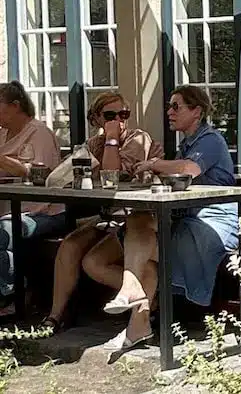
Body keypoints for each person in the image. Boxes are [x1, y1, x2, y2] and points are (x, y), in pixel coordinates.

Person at [82, 85, 238, 351]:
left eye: (176, 107)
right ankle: (137, 318)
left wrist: (152, 164)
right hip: (185, 218)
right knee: (138, 224)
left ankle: (137, 315)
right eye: (169, 106)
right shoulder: (187, 143)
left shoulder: (210, 139)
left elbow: (190, 169)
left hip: (211, 224)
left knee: (144, 244)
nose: (169, 112)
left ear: (196, 111)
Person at [41, 91, 164, 332]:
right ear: (97, 118)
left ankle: (149, 300)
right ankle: (55, 316)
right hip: (107, 216)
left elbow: (112, 176)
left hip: (135, 219)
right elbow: (55, 180)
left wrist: (111, 140)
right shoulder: (92, 144)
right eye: (110, 115)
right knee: (70, 244)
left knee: (92, 262)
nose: (118, 120)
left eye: (123, 114)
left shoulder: (138, 139)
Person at [0, 80, 64, 312]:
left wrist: (6, 162)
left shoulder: (39, 133)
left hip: (43, 209)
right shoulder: (3, 133)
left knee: (3, 233)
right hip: (8, 207)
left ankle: (16, 295)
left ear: (15, 106)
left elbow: (43, 175)